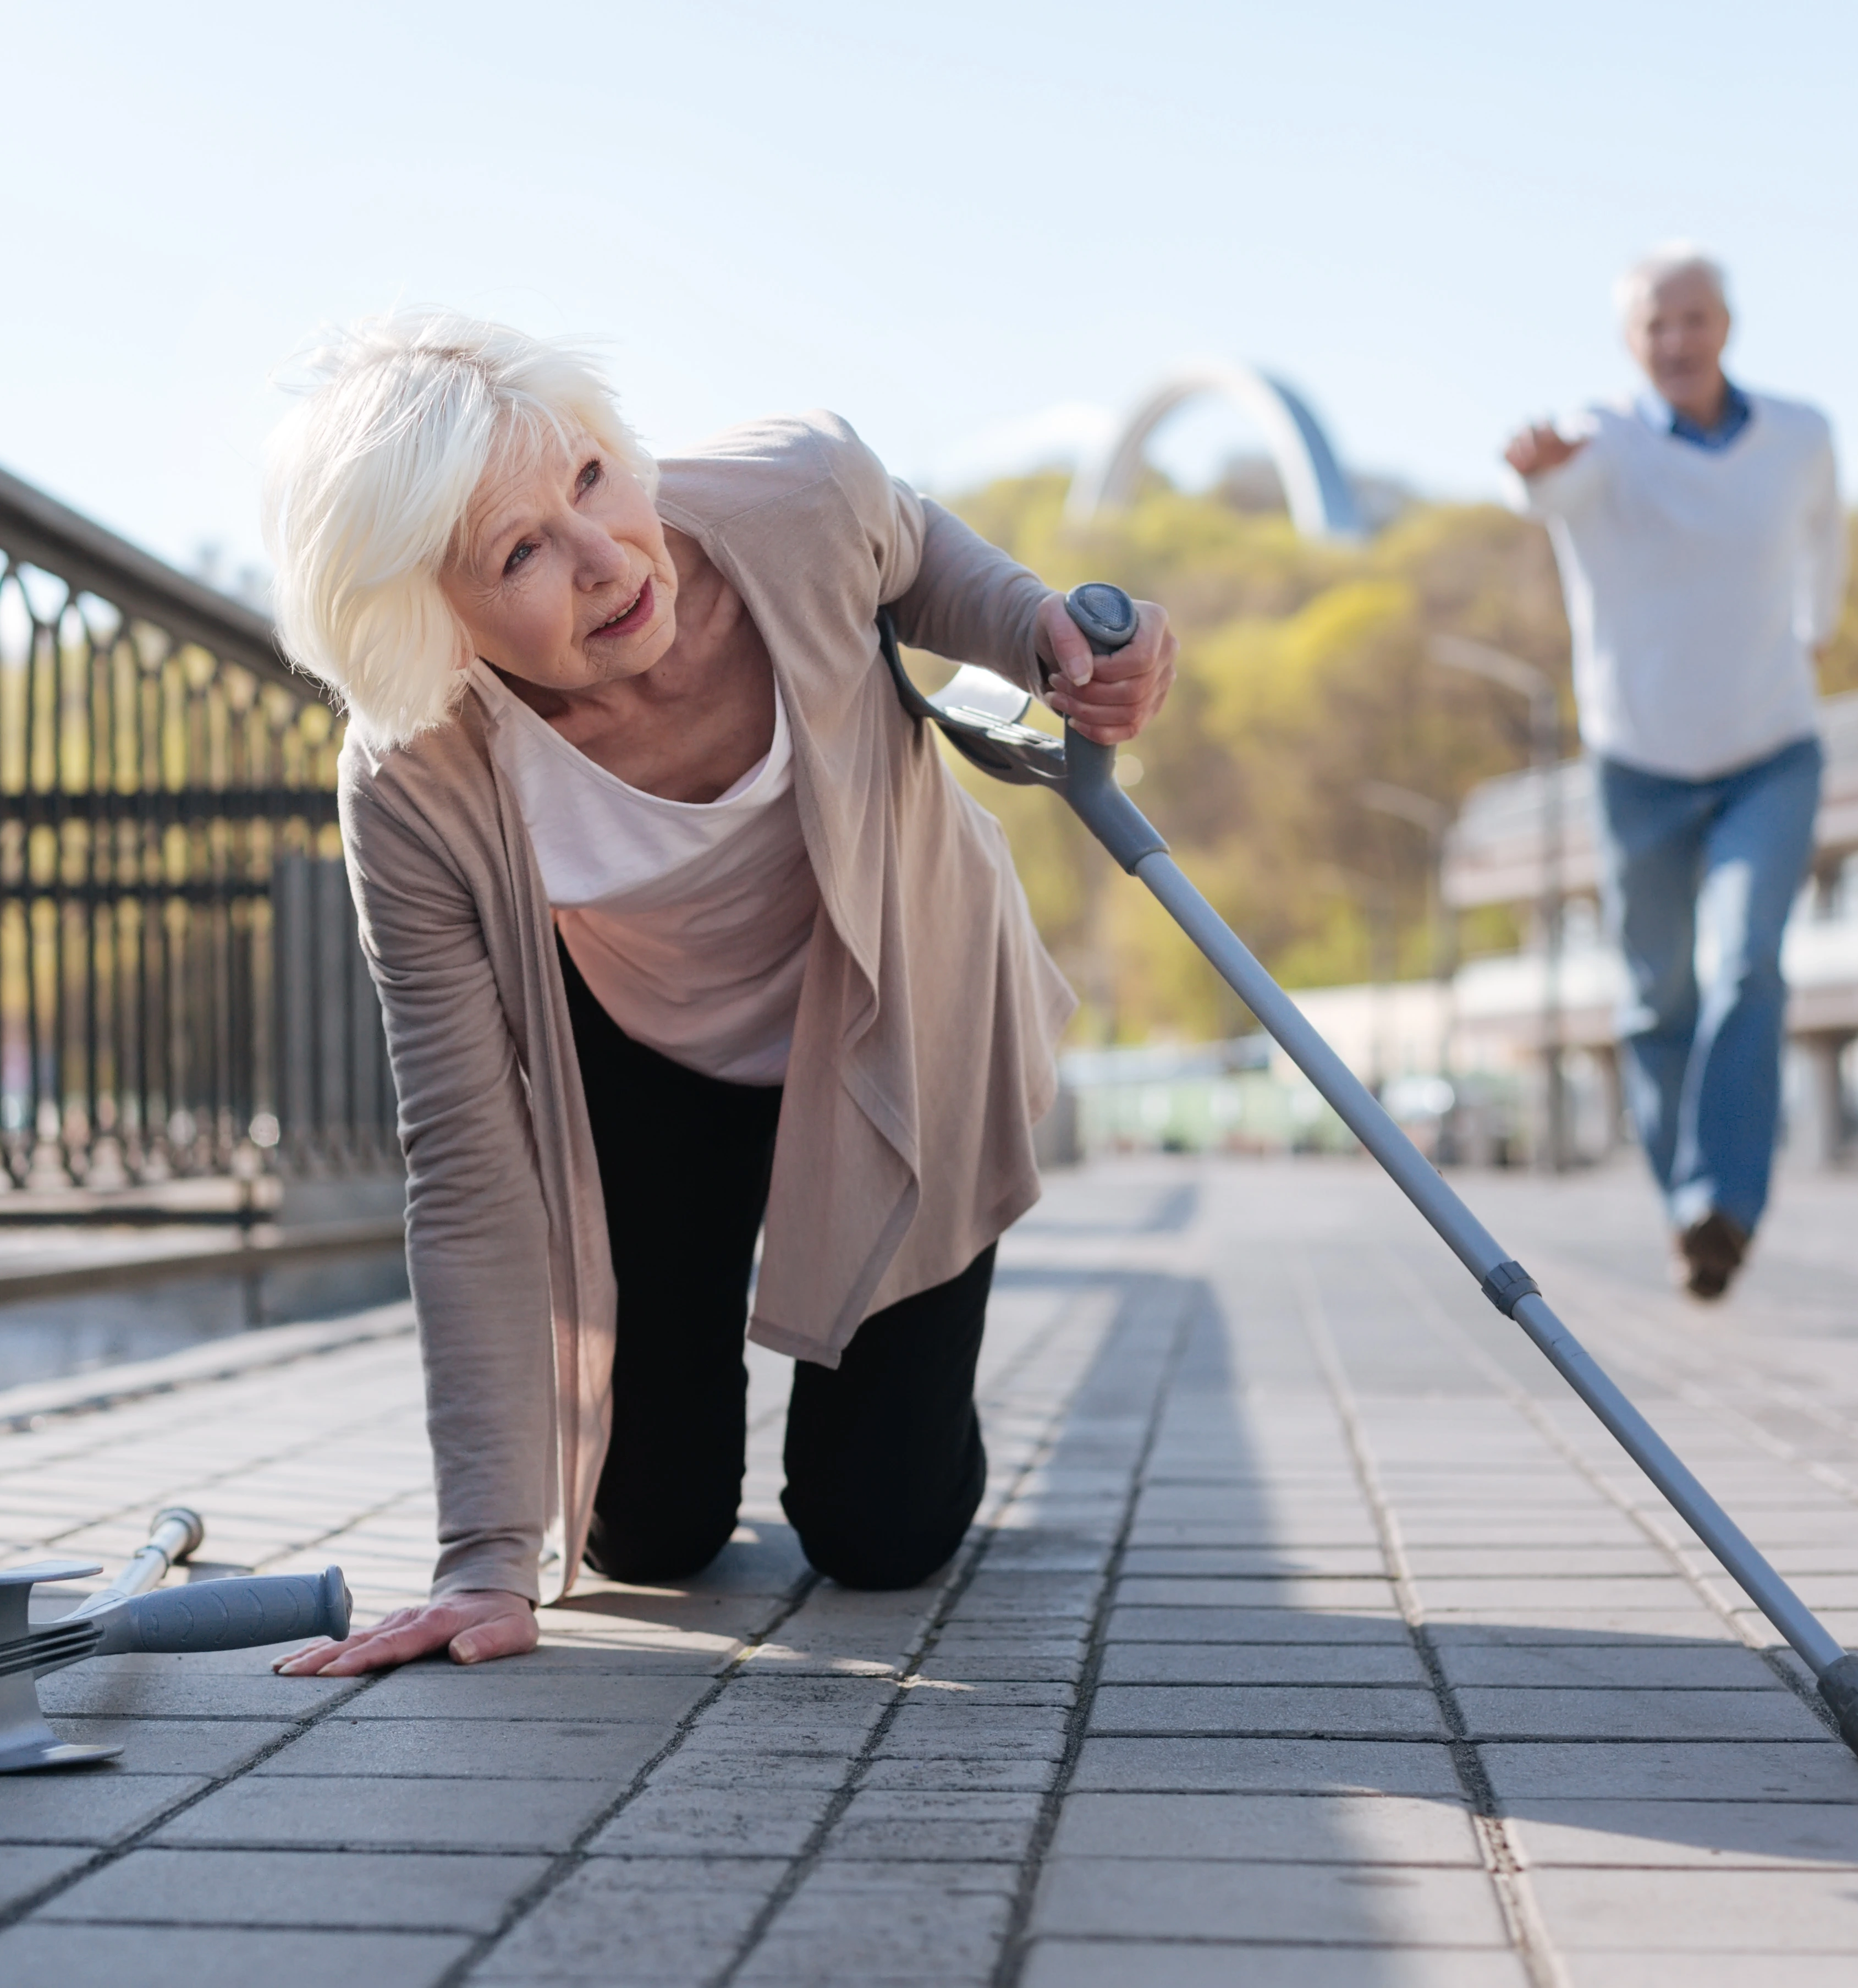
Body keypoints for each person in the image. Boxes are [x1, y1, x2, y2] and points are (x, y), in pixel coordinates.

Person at [259, 314, 1176, 1673]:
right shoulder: (414, 778)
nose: (603, 557)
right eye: (517, 555)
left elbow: (914, 552)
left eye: (587, 478)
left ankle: (907, 1400)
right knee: (647, 1534)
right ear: (431, 622)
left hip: (884, 1013)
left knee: (880, 1535)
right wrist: (483, 1557)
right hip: (647, 1061)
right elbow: (466, 1162)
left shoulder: (798, 495)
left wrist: (1038, 628)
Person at [1503, 245, 1843, 1300]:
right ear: (1630, 343)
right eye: (1657, 326)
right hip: (1638, 760)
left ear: (1727, 326)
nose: (1678, 341)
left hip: (1769, 751)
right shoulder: (1603, 442)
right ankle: (1685, 1208)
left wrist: (1815, 630)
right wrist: (1536, 466)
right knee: (1655, 998)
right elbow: (1552, 489)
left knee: (1748, 964)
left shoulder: (1800, 436)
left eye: (1694, 319)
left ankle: (1724, 1203)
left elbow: (1826, 540)